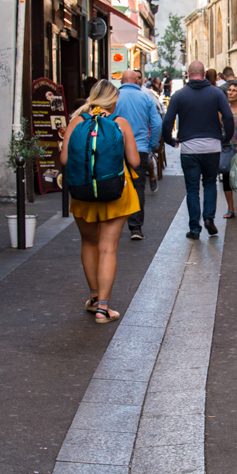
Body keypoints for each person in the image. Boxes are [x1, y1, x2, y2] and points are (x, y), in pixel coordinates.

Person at [60, 79, 142, 322]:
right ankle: (103, 309)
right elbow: (135, 162)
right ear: (114, 101)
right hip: (115, 191)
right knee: (108, 248)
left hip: (83, 190)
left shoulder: (76, 121)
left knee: (88, 243)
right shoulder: (120, 123)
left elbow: (64, 159)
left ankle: (94, 298)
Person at [162, 60, 234, 239]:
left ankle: (194, 228)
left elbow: (167, 120)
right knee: (210, 183)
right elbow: (228, 117)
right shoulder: (217, 93)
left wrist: (170, 140)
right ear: (203, 74)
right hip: (212, 147)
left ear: (188, 73)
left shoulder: (179, 95)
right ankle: (209, 217)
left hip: (189, 148)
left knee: (192, 189)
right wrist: (226, 138)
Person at [112, 69, 162, 240]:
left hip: (115, 149)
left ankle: (112, 224)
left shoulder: (114, 97)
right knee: (137, 187)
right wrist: (152, 145)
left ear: (122, 81)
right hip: (139, 149)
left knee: (114, 185)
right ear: (136, 81)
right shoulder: (146, 97)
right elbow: (156, 124)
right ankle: (135, 227)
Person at [217, 80, 237, 217]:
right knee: (226, 175)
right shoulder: (223, 109)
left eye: (234, 90)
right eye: (229, 90)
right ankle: (230, 208)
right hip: (227, 147)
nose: (230, 92)